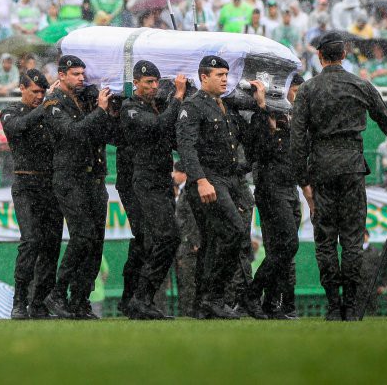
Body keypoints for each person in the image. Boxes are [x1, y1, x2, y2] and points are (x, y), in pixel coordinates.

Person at [291, 31, 387, 321]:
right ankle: (351, 306)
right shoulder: (360, 85)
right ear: (344, 55)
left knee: (325, 240)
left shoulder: (308, 90)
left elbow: (298, 141)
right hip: (352, 167)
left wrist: (304, 183)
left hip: (322, 169)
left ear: (320, 56)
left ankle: (333, 305)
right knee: (352, 239)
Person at [176, 55, 267, 319]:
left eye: (227, 75)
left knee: (213, 241)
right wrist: (201, 180)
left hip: (228, 180)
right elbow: (186, 146)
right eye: (219, 75)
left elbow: (252, 141)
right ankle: (214, 297)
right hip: (207, 180)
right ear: (204, 77)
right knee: (235, 232)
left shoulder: (227, 108)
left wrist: (260, 106)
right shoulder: (193, 107)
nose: (225, 79)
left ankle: (202, 304)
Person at [41, 54, 115, 320]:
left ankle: (81, 299)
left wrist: (104, 109)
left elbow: (103, 132)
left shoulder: (84, 98)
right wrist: (100, 111)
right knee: (82, 236)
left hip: (94, 177)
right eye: (76, 74)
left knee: (95, 243)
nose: (82, 79)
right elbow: (73, 133)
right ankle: (58, 293)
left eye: (83, 74)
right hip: (70, 179)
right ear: (61, 75)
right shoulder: (53, 103)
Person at [118, 61, 185, 320]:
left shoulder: (157, 105)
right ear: (135, 82)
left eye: (157, 82)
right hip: (145, 180)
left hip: (162, 179)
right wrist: (178, 97)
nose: (154, 86)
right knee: (167, 237)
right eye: (148, 82)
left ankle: (136, 299)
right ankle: (141, 298)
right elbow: (157, 127)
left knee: (153, 241)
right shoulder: (130, 108)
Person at [0, 69, 64, 320]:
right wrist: (47, 105)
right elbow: (18, 128)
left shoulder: (50, 112)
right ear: (22, 89)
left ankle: (39, 303)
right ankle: (19, 300)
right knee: (31, 241)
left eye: (43, 92)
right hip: (26, 184)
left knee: (51, 245)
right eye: (35, 91)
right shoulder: (10, 111)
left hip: (51, 185)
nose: (39, 96)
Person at [247, 72, 305, 319]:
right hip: (272, 188)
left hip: (290, 188)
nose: (298, 95)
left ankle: (270, 303)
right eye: (295, 90)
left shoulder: (294, 119)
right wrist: (262, 109)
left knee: (282, 248)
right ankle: (252, 293)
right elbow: (259, 150)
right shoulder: (265, 117)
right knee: (288, 244)